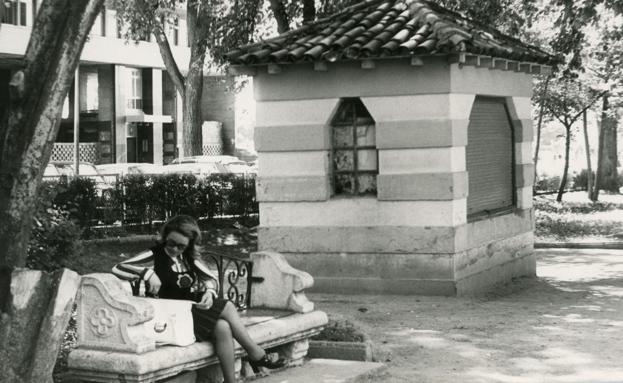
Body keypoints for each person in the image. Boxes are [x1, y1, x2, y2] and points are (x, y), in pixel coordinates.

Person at [111, 215, 285, 382]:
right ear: (165, 237)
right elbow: (118, 267)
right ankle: (256, 353)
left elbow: (211, 279)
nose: (175, 249)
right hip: (168, 318)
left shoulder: (187, 258)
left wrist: (209, 293)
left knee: (223, 327)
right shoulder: (154, 254)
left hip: (189, 313)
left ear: (188, 245)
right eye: (171, 243)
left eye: (181, 246)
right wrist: (147, 273)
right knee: (228, 307)